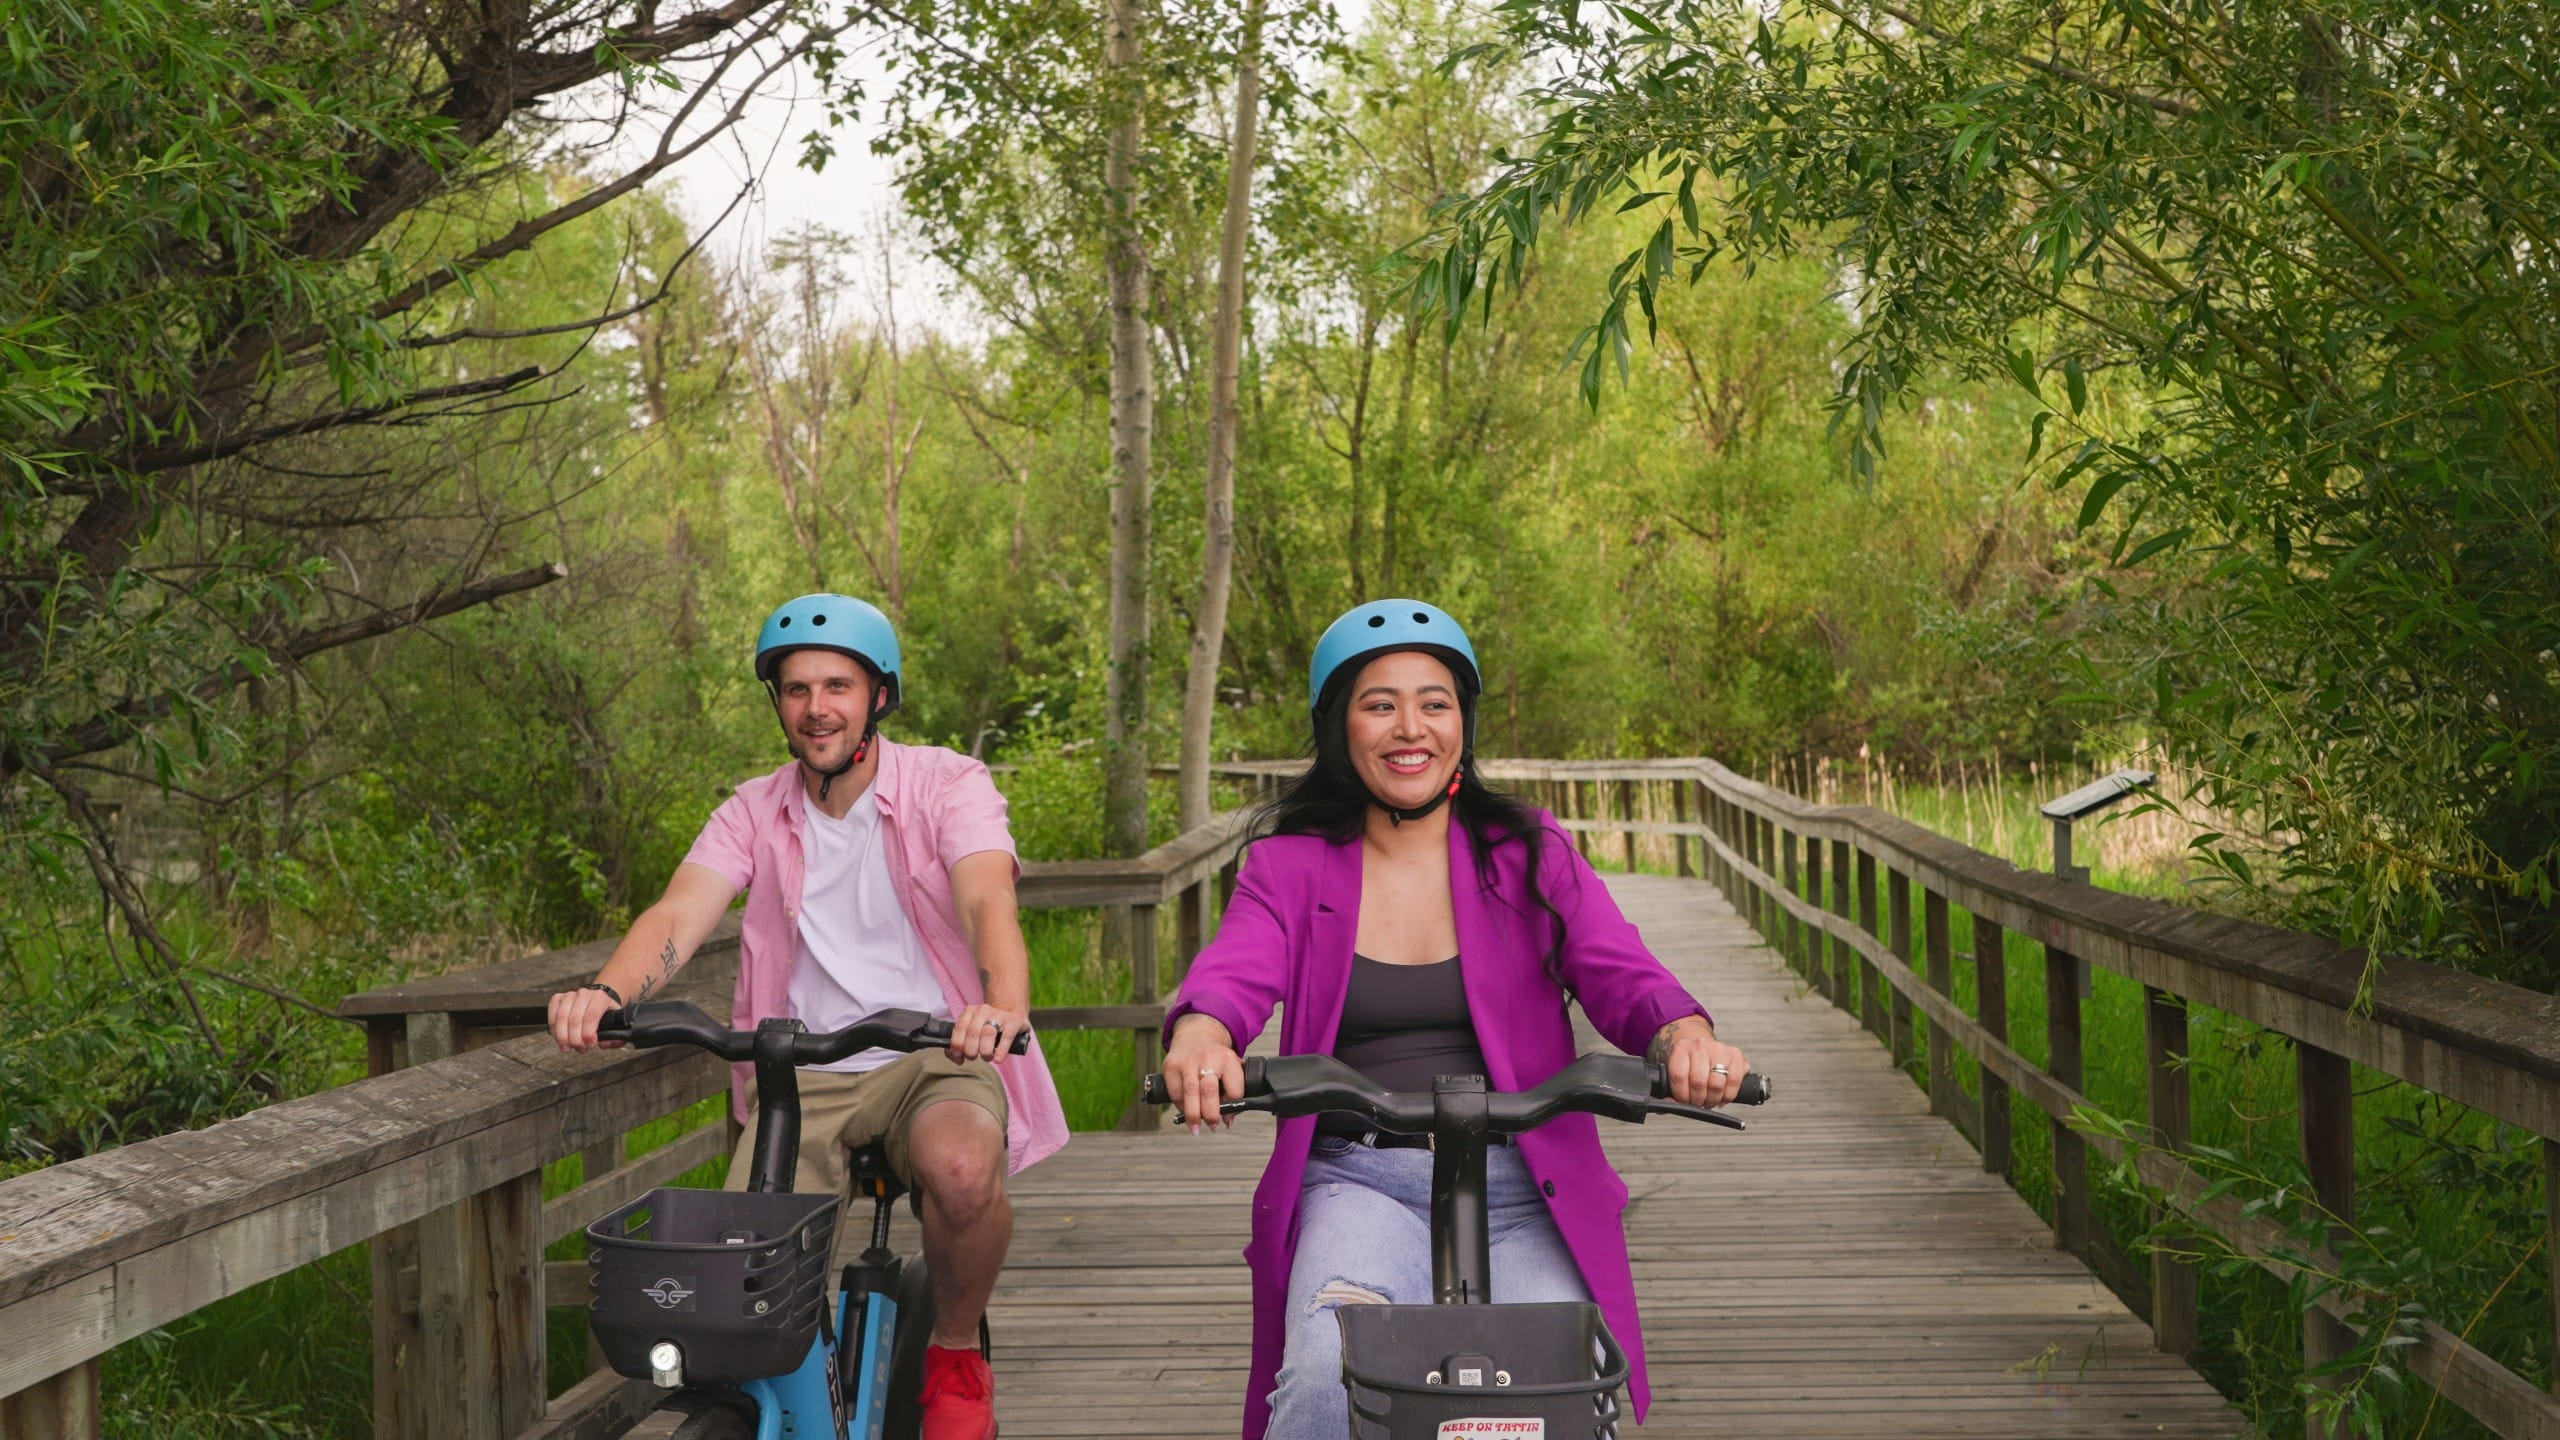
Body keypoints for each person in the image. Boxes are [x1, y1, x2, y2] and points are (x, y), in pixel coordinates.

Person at [1158, 599, 1752, 1440]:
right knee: (1329, 1384)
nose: (1411, 728)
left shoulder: (1530, 852)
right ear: (1340, 728)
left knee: (1567, 1396)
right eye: (1379, 703)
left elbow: (1619, 969)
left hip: (1524, 1183)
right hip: (1358, 1180)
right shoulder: (1287, 867)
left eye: (1434, 702)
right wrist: (1202, 1036)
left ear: (1462, 724)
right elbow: (1235, 971)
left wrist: (1681, 1033)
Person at [548, 593, 1065, 1440]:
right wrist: (609, 996)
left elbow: (986, 899)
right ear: (777, 703)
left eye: (837, 686)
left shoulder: (947, 783)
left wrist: (1000, 1006)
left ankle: (956, 1355)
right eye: (795, 690)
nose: (816, 708)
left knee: (964, 1170)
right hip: (804, 1071)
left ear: (878, 697)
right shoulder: (754, 808)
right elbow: (682, 914)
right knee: (743, 1282)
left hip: (934, 1052)